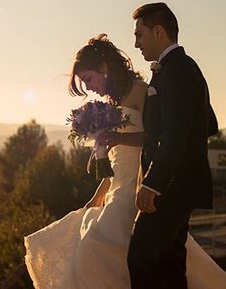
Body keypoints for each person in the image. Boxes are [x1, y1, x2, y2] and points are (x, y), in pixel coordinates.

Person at [24, 32, 225, 288]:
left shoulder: (140, 90)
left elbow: (154, 139)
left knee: (95, 244)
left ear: (104, 68)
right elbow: (118, 160)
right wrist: (100, 191)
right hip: (118, 186)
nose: (89, 88)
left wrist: (118, 140)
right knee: (90, 242)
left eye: (88, 79)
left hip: (139, 184)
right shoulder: (114, 101)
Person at [128, 2, 219, 288]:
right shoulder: (178, 68)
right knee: (169, 264)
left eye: (139, 35)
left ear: (158, 32)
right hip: (179, 184)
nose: (136, 43)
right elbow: (210, 124)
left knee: (141, 257)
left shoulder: (177, 69)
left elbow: (175, 134)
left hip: (171, 186)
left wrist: (153, 183)